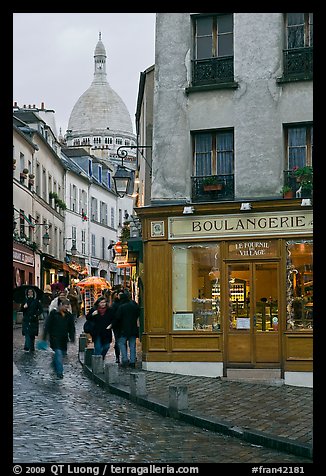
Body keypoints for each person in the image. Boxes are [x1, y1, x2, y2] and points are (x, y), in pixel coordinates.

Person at [42, 297, 76, 379]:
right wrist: (45, 336)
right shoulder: (53, 314)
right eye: (65, 306)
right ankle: (60, 372)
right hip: (54, 337)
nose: (66, 308)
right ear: (60, 305)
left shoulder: (69, 315)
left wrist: (72, 337)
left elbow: (71, 327)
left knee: (60, 354)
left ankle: (55, 364)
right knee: (58, 353)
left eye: (67, 306)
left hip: (64, 338)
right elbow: (47, 325)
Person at [109, 291, 140, 368]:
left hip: (123, 329)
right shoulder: (134, 305)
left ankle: (125, 360)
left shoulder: (122, 307)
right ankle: (132, 361)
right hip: (133, 328)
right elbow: (138, 313)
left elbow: (117, 318)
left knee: (122, 344)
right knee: (132, 345)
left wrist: (112, 325)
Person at [21, 288, 43, 352]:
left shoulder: (36, 301)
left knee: (32, 334)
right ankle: (26, 347)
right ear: (27, 294)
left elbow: (41, 310)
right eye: (28, 292)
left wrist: (36, 314)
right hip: (26, 319)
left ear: (33, 293)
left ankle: (32, 348)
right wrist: (24, 307)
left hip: (33, 320)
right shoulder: (25, 301)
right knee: (27, 333)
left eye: (31, 292)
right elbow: (21, 310)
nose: (30, 294)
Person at [109, 291, 122, 364]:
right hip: (120, 325)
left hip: (116, 325)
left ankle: (118, 357)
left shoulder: (113, 305)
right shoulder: (119, 304)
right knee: (121, 341)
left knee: (118, 340)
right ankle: (121, 356)